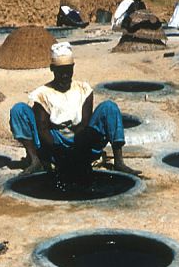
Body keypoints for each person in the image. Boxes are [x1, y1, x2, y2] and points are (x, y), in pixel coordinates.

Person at [9, 42, 140, 181]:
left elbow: (85, 125)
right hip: (53, 142)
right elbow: (43, 129)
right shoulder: (41, 94)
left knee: (109, 107)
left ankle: (119, 161)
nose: (65, 75)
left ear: (73, 68)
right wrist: (59, 151)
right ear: (52, 69)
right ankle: (35, 161)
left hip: (81, 140)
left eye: (68, 70)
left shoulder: (84, 89)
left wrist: (76, 152)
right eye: (60, 71)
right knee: (19, 110)